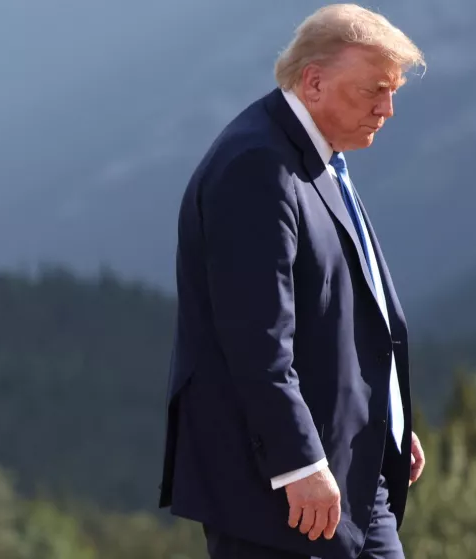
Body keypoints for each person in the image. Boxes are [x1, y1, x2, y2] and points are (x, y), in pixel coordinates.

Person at [157, 4, 427, 558]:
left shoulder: (313, 157)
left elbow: (338, 312)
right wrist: (298, 462)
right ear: (314, 81)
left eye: (393, 91)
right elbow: (257, 338)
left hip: (345, 472)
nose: (389, 109)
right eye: (374, 90)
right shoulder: (258, 166)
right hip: (280, 494)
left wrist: (386, 419)